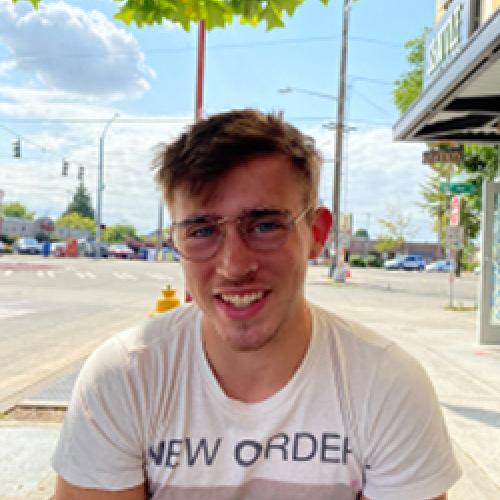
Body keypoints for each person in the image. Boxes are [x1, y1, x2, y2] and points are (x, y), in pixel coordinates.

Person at [53, 109, 460, 500]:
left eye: (265, 226)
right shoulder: (125, 377)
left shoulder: (387, 385)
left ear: (316, 234)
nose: (233, 266)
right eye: (201, 230)